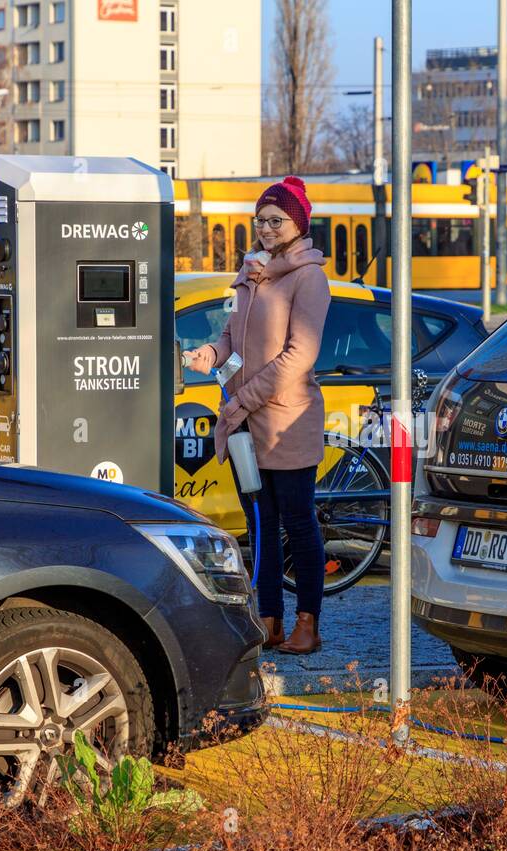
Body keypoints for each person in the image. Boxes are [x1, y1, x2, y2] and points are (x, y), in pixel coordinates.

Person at [182, 176, 330, 655]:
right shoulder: (253, 273)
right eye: (260, 220)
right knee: (261, 523)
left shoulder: (308, 277)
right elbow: (233, 339)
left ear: (297, 224)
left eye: (275, 220)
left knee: (298, 522)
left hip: (286, 421)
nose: (265, 228)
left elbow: (299, 355)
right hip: (244, 422)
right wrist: (209, 353)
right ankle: (268, 621)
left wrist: (244, 399)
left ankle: (308, 623)